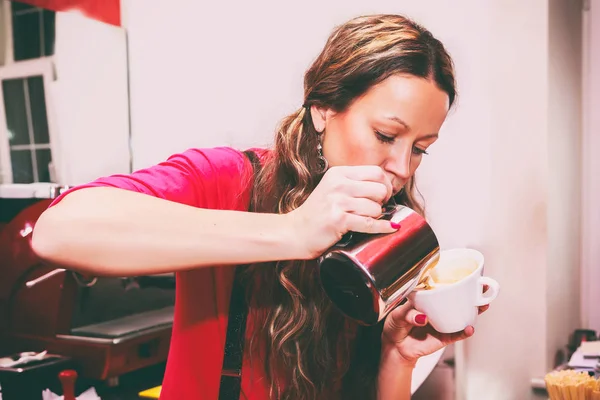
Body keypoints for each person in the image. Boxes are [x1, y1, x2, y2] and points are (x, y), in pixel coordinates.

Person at [32, 14, 488, 400]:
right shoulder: (231, 178)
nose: (401, 167)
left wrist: (397, 357)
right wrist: (292, 231)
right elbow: (58, 230)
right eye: (387, 136)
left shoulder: (390, 229)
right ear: (323, 110)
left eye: (420, 148)